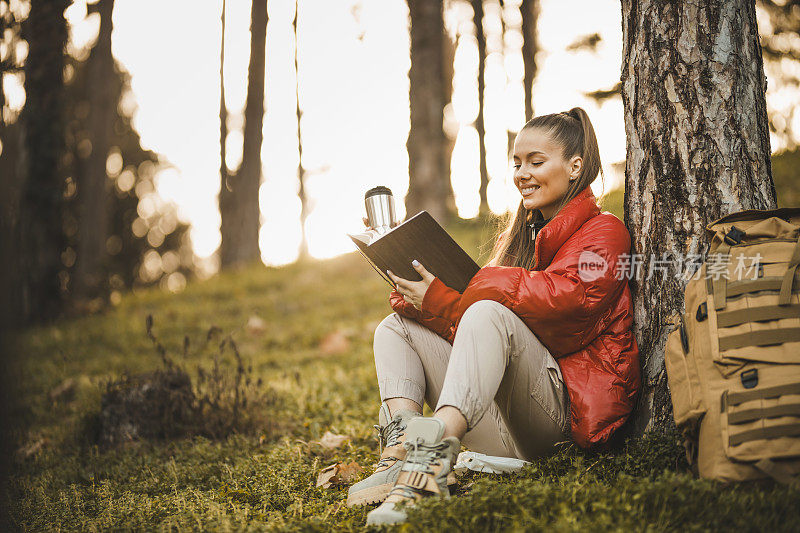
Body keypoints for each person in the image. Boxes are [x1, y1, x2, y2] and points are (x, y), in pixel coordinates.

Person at [350, 107, 641, 526]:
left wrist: (481, 288)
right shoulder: (525, 239)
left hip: (559, 422)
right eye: (517, 163)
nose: (522, 173)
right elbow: (475, 336)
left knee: (487, 311)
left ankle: (426, 463)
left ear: (575, 166)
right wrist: (426, 299)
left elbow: (569, 309)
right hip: (498, 423)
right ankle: (400, 454)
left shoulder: (605, 232)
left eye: (536, 162)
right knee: (397, 329)